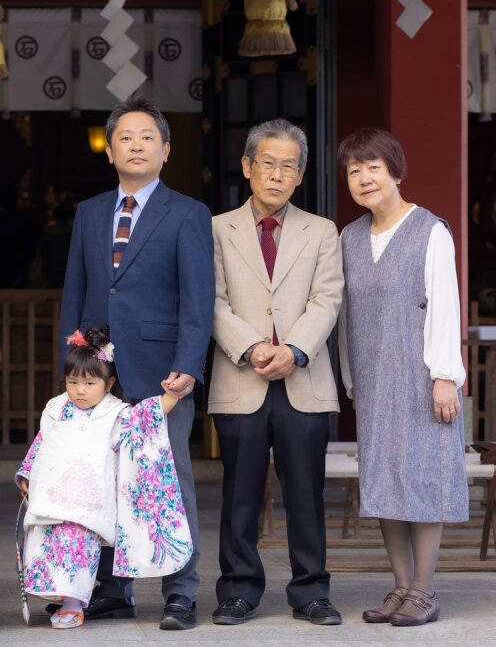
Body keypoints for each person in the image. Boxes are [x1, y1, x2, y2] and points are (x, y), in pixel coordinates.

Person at [58, 96, 214, 630]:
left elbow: (198, 300)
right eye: (125, 137)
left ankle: (181, 592)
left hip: (161, 372)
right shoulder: (91, 212)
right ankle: (112, 588)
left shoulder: (189, 213)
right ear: (110, 151)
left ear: (166, 150)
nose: (137, 145)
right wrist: (74, 366)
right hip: (98, 376)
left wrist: (189, 366)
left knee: (169, 482)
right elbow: (76, 293)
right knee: (101, 480)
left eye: (148, 137)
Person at [208, 118, 343, 627]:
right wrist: (250, 348)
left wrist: (295, 350)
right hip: (241, 377)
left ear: (300, 175)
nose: (277, 174)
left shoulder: (321, 231)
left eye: (289, 166)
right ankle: (238, 590)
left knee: (306, 492)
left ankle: (311, 592)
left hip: (302, 379)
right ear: (247, 167)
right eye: (268, 163)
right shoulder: (216, 228)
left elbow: (327, 299)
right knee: (239, 492)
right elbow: (212, 300)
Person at [337, 127, 467, 627]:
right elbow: (347, 316)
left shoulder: (429, 230)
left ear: (395, 171)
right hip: (372, 380)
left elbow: (444, 305)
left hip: (420, 376)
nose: (365, 178)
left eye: (374, 167)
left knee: (423, 476)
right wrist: (351, 378)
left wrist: (444, 376)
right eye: (354, 171)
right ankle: (399, 586)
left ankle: (424, 589)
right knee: (384, 481)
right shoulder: (349, 238)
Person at [16, 325, 193, 630]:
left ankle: (73, 605)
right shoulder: (56, 408)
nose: (79, 390)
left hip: (87, 500)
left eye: (88, 383)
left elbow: (148, 416)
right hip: (53, 495)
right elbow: (42, 441)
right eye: (72, 382)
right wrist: (27, 472)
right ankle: (64, 599)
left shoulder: (117, 413)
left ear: (109, 383)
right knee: (48, 544)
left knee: (78, 552)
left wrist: (170, 395)